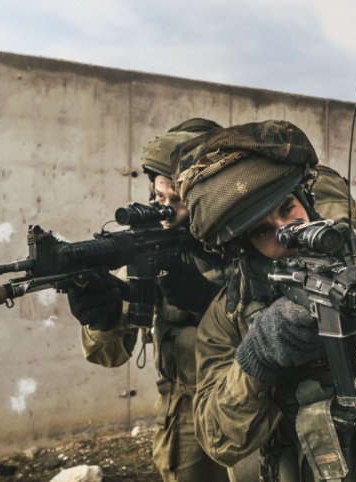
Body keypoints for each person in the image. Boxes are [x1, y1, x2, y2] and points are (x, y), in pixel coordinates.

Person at [177, 120, 356, 481]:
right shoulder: (231, 314)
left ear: (306, 201)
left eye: (288, 208)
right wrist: (257, 359)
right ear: (243, 245)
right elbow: (219, 441)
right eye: (263, 231)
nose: (287, 233)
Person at [67, 118, 233, 482]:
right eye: (160, 199)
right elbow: (109, 355)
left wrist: (209, 302)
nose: (167, 214)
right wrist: (103, 318)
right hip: (183, 406)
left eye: (181, 201)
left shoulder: (246, 238)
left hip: (247, 393)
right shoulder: (150, 242)